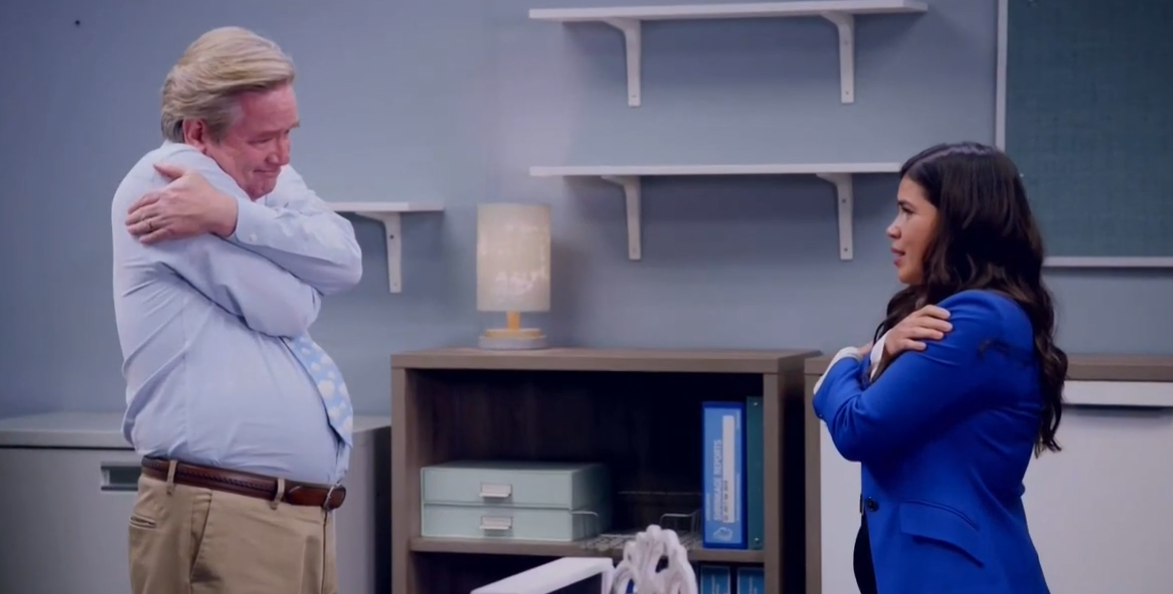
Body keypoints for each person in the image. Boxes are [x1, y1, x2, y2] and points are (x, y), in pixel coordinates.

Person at [110, 26, 363, 594]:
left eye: (288, 133)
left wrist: (231, 215)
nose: (282, 156)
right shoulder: (164, 184)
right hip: (219, 512)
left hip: (291, 516)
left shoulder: (251, 183)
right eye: (262, 139)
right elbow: (289, 309)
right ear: (199, 132)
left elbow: (346, 261)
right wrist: (276, 242)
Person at [812, 141, 1067, 594]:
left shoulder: (976, 318)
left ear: (960, 221)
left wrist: (842, 364)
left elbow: (859, 426)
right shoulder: (954, 313)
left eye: (908, 212)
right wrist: (881, 350)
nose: (892, 229)